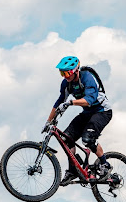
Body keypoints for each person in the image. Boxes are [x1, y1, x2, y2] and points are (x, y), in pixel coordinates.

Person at [43, 56, 113, 186]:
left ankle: (104, 164)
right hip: (87, 113)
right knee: (66, 138)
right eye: (62, 73)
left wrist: (71, 102)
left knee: (88, 139)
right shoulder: (66, 83)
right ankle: (73, 170)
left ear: (75, 70)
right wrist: (48, 121)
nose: (65, 76)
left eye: (67, 72)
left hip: (102, 111)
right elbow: (59, 102)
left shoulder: (87, 78)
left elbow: (88, 101)